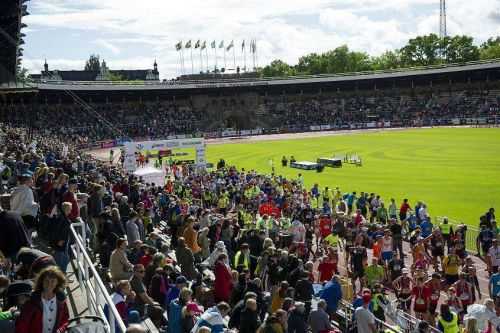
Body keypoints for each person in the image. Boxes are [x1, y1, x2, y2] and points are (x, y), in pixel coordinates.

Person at [15, 266, 69, 333]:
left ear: (57, 283)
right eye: (46, 280)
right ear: (42, 282)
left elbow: (65, 319)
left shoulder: (61, 300)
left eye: (53, 281)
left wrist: (60, 330)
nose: (49, 284)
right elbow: (22, 324)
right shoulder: (31, 301)